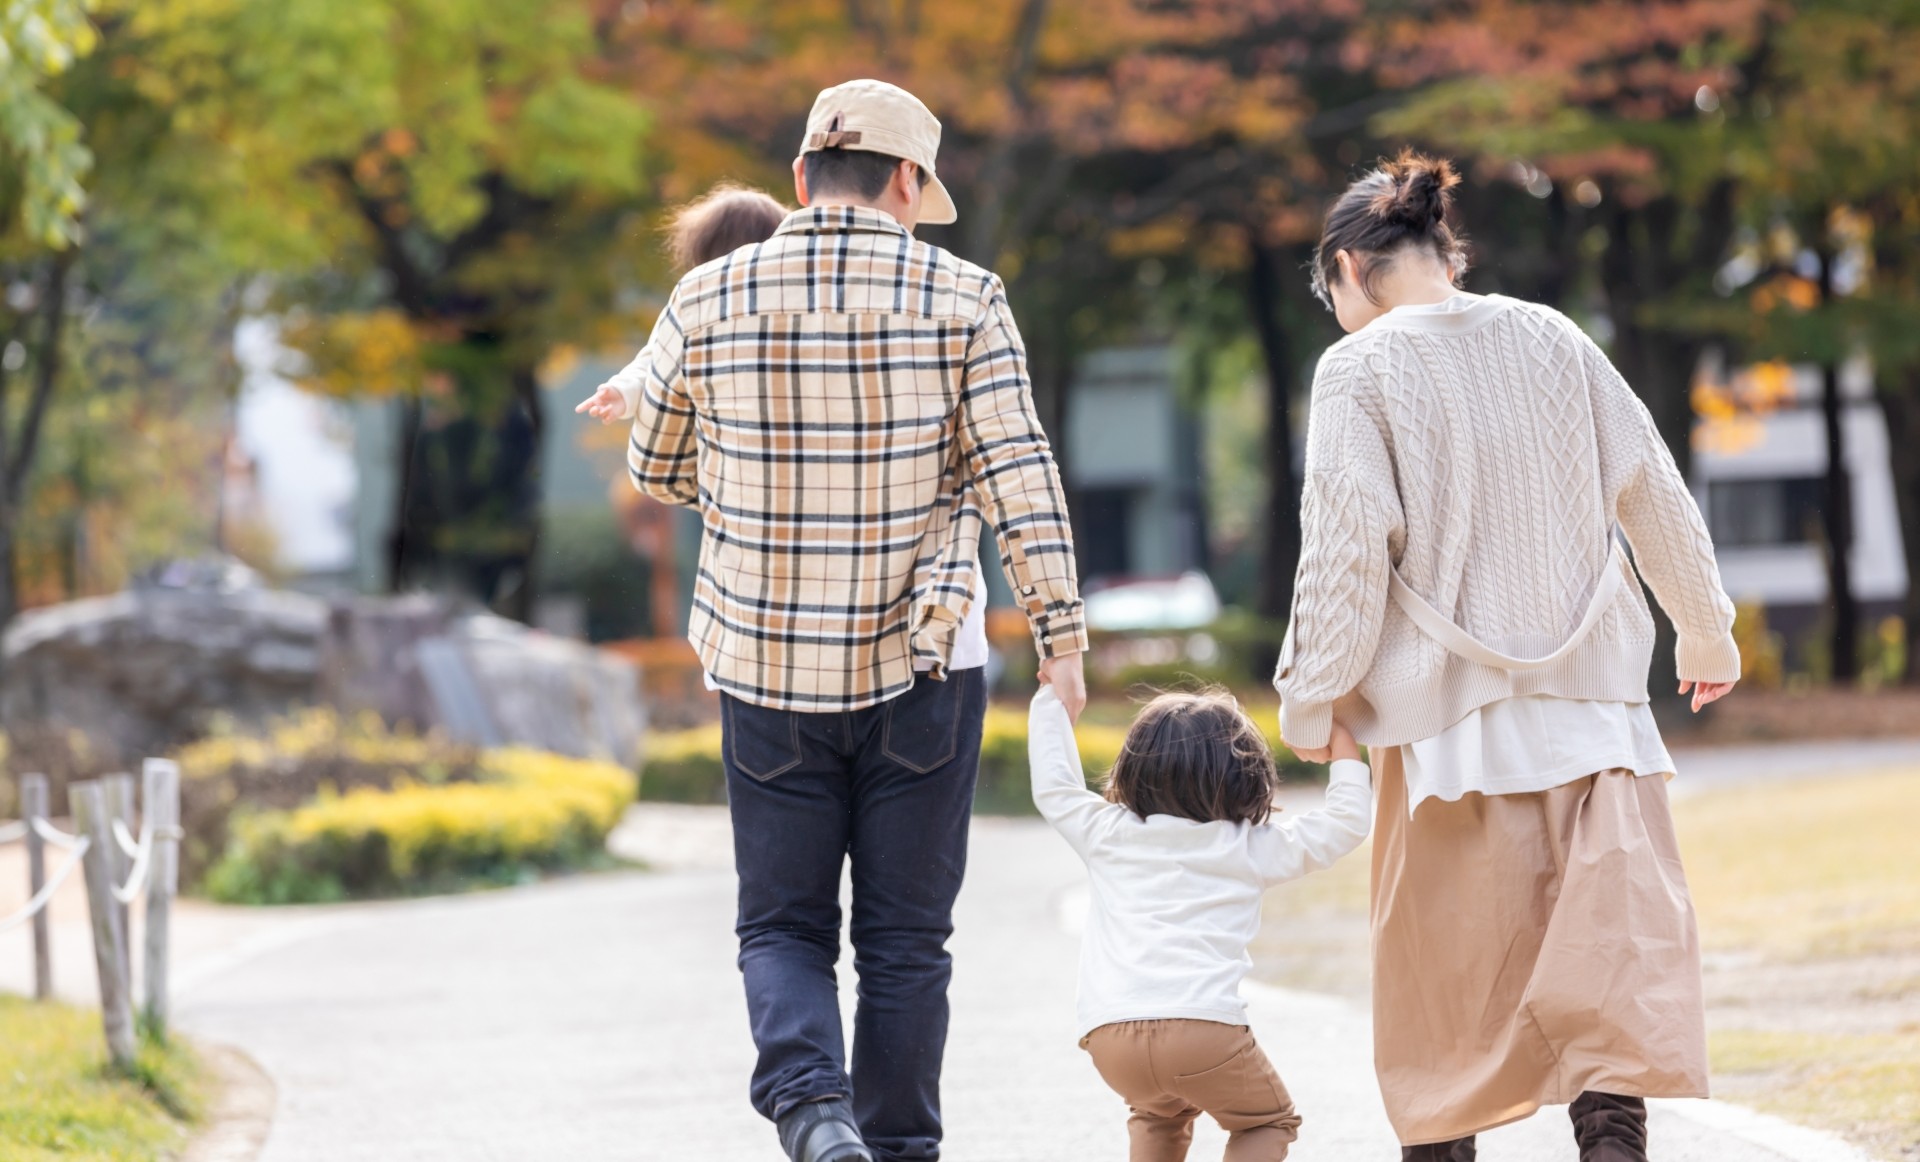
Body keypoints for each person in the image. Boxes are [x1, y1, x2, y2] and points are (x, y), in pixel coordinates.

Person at [623, 79, 1089, 1162]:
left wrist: (755, 492)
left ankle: (812, 1109)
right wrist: (1061, 634)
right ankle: (902, 1146)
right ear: (908, 182)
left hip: (766, 661)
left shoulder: (707, 298)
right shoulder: (966, 295)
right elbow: (1019, 474)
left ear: (798, 178)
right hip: (922, 664)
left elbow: (653, 461)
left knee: (781, 924)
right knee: (906, 938)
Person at [1273, 151, 1741, 1162]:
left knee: (1446, 991)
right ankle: (1611, 1148)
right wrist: (1705, 629)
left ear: (1352, 268)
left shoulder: (1357, 368)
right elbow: (1650, 484)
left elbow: (1348, 551)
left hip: (1448, 735)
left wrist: (1314, 702)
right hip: (1594, 715)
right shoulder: (1553, 336)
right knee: (1609, 965)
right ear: (1445, 250)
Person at [1028, 682, 1372, 1161]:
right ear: (1246, 777)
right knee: (1266, 1122)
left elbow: (1054, 786)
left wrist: (1052, 703)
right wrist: (1346, 752)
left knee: (1157, 1116)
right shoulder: (1249, 848)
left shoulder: (1106, 834)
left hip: (1110, 1035)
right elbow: (1345, 824)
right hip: (1204, 1030)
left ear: (1134, 769)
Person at [576, 184, 790, 426]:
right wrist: (622, 391)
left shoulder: (695, 305)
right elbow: (654, 361)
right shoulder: (696, 307)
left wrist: (623, 392)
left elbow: (656, 363)